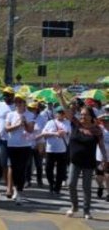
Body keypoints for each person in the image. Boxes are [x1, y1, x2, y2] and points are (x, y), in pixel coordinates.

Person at [55, 86, 108, 219]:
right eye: (82, 114)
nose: (83, 116)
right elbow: (67, 111)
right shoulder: (76, 124)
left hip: (89, 162)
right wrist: (60, 96)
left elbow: (101, 146)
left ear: (91, 116)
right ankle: (74, 206)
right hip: (75, 160)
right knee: (71, 184)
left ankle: (86, 210)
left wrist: (104, 159)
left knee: (86, 187)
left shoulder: (97, 130)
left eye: (86, 115)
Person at [5, 93, 35, 205]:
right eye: (16, 102)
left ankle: (19, 192)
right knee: (13, 168)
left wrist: (25, 122)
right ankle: (15, 188)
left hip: (25, 145)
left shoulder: (30, 114)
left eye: (20, 102)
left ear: (24, 103)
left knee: (21, 169)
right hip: (12, 145)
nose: (17, 104)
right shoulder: (10, 114)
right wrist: (17, 125)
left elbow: (30, 130)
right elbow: (7, 128)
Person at [41, 105, 71, 195]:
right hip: (50, 149)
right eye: (59, 113)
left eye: (62, 113)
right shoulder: (50, 122)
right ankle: (51, 184)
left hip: (62, 150)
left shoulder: (67, 122)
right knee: (48, 169)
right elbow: (43, 133)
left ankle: (57, 187)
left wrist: (64, 132)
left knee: (60, 170)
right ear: (56, 114)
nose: (61, 114)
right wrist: (54, 133)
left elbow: (68, 132)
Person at [0, 86, 15, 198]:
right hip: (2, 139)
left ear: (13, 96)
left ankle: (10, 188)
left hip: (14, 140)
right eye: (5, 95)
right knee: (3, 164)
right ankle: (8, 185)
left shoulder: (16, 106)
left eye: (8, 95)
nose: (6, 97)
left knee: (11, 164)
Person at [25, 102, 46, 188]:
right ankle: (28, 180)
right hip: (28, 142)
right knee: (28, 163)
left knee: (38, 163)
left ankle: (39, 180)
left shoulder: (42, 118)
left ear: (36, 109)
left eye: (32, 109)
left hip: (39, 142)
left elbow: (45, 130)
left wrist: (39, 137)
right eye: (29, 108)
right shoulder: (27, 117)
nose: (30, 110)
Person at [95, 114, 109, 201]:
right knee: (99, 177)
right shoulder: (99, 128)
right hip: (99, 157)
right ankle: (100, 186)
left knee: (107, 176)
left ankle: (108, 194)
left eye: (107, 121)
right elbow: (93, 121)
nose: (105, 123)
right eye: (104, 121)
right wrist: (104, 115)